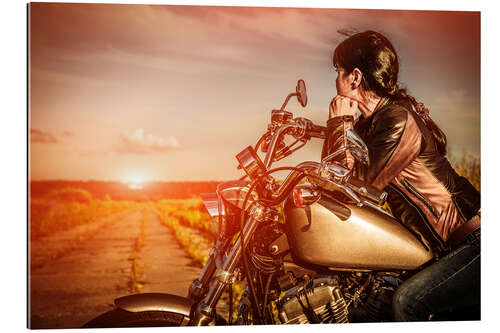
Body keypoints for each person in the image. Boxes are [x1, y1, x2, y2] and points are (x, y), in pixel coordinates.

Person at [321, 30, 480, 321]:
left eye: (338, 71)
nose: (336, 79)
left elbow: (356, 187)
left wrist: (338, 122)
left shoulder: (397, 119)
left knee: (406, 302)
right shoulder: (370, 125)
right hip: (447, 249)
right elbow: (334, 177)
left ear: (355, 77)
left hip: (474, 243)